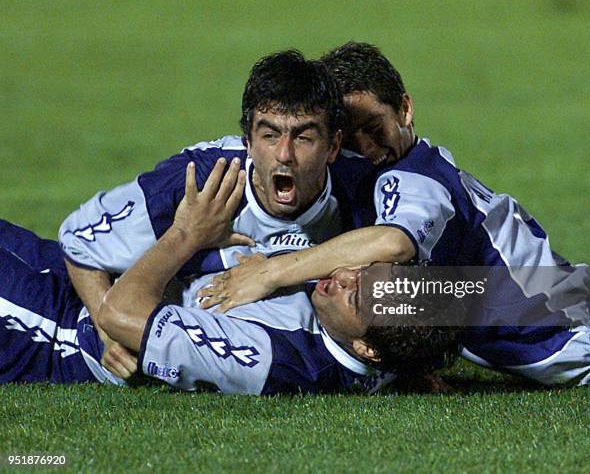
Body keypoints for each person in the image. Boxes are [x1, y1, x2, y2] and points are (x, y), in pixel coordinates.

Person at [200, 42, 590, 389]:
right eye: (349, 132)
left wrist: (270, 273)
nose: (363, 145)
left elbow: (393, 243)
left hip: (588, 336)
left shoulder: (416, 181)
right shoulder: (389, 174)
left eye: (373, 126)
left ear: (405, 110)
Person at [0, 161, 459, 393]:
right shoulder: (387, 338)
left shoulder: (270, 358)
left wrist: (186, 233)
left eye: (355, 297)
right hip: (53, 267)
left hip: (49, 328)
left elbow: (121, 315)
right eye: (362, 273)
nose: (341, 277)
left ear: (366, 348)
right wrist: (419, 369)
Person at [57, 49, 378, 373]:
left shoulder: (362, 192)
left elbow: (420, 284)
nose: (284, 154)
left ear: (333, 146)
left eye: (303, 137)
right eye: (269, 135)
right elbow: (77, 238)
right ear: (248, 141)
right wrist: (106, 326)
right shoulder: (201, 184)